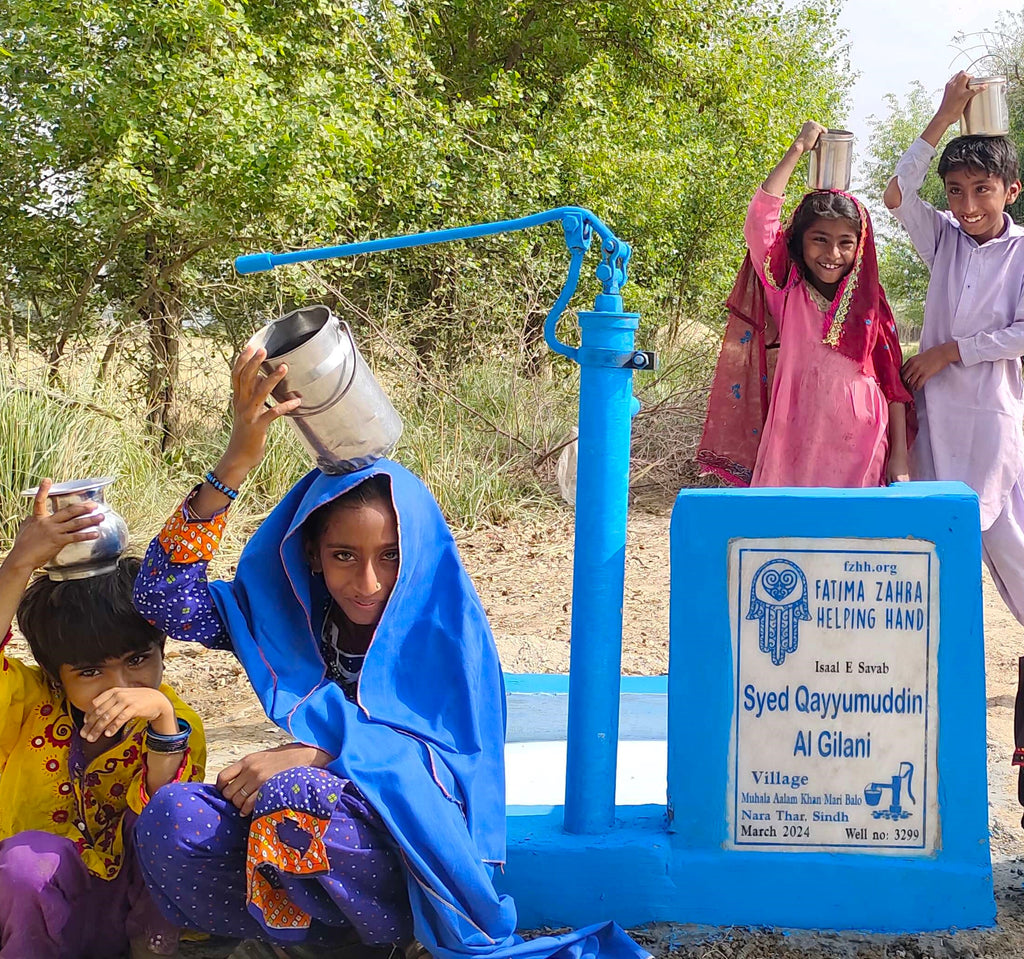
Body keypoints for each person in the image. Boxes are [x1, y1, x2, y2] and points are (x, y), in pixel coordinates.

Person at [132, 346, 645, 959]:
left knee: (293, 794)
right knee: (171, 818)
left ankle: (389, 943)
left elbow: (451, 773)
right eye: (343, 556)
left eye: (391, 556)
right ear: (311, 557)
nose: (367, 582)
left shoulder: (447, 640)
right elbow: (164, 597)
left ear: (419, 554)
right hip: (311, 846)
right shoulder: (291, 620)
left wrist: (321, 748)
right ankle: (301, 942)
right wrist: (235, 462)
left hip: (412, 861)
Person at [0, 481, 206, 959]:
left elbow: (164, 820)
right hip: (51, 911)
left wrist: (161, 721)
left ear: (162, 650)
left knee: (179, 818)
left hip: (139, 917)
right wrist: (18, 564)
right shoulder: (27, 703)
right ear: (54, 673)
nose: (119, 685)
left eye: (137, 660)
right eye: (90, 671)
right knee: (22, 864)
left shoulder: (176, 720)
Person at [698, 121, 912, 488]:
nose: (832, 254)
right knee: (789, 535)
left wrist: (900, 458)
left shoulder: (871, 305)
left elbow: (891, 383)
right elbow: (759, 222)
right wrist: (797, 148)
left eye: (846, 242)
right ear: (799, 241)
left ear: (860, 247)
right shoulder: (786, 290)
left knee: (852, 539)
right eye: (819, 239)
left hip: (862, 441)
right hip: (793, 435)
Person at [884, 71, 1024, 623]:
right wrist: (944, 115)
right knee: (938, 534)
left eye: (982, 190)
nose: (967, 205)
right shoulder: (942, 236)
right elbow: (897, 194)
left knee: (1004, 534)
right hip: (935, 413)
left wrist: (949, 351)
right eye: (956, 192)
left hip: (992, 416)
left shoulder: (1021, 252)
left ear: (1011, 190)